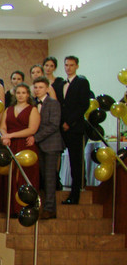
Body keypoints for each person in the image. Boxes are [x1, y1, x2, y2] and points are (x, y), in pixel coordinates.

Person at [0, 83, 41, 217]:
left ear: (28, 95)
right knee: (10, 175)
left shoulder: (33, 110)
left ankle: (23, 208)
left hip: (25, 146)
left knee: (23, 175)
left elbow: (32, 129)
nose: (20, 95)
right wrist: (5, 136)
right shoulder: (9, 109)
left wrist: (10, 135)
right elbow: (3, 126)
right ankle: (11, 208)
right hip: (10, 145)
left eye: (23, 93)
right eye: (18, 93)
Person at [59, 56, 92, 205]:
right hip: (61, 127)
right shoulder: (62, 84)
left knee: (75, 162)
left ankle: (75, 194)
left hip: (75, 127)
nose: (68, 68)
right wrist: (62, 123)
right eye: (66, 65)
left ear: (77, 66)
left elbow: (83, 105)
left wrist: (69, 122)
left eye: (71, 65)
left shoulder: (82, 82)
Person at [29, 77, 63, 220]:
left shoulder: (53, 103)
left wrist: (36, 137)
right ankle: (39, 206)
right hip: (37, 145)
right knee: (40, 177)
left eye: (41, 87)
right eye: (36, 87)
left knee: (49, 178)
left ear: (47, 89)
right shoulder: (32, 103)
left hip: (50, 145)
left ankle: (50, 209)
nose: (37, 90)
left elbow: (54, 125)